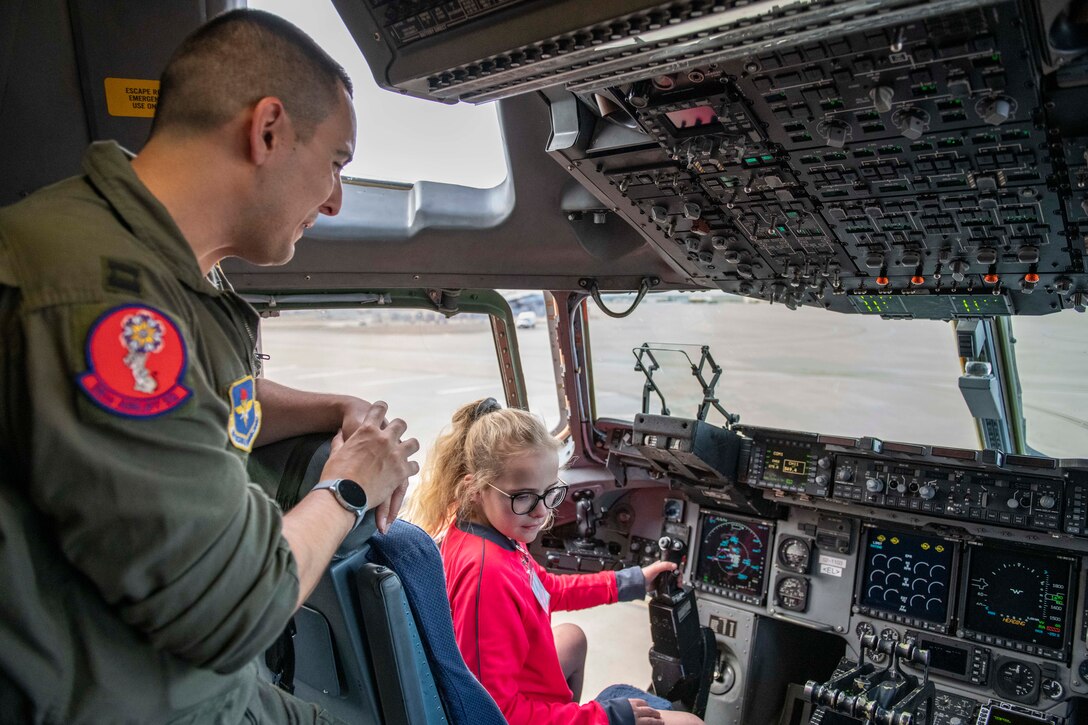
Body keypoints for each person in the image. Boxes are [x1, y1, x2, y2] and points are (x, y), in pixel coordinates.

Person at [0, 9, 418, 724]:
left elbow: (209, 396)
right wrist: (350, 486)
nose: (335, 199)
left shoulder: (159, 262)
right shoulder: (101, 300)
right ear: (268, 130)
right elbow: (238, 607)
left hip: (187, 682)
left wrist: (331, 407)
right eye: (336, 162)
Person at [405, 398, 705, 725]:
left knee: (571, 637)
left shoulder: (488, 533)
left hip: (517, 691)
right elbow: (493, 714)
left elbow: (547, 588)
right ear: (475, 489)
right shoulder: (487, 574)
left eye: (550, 493)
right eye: (523, 496)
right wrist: (606, 716)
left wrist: (630, 582)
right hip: (504, 715)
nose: (541, 512)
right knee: (692, 724)